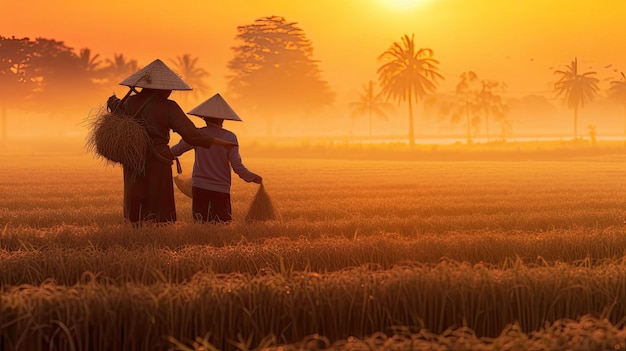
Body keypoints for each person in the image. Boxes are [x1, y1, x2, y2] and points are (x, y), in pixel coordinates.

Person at [106, 59, 236, 224]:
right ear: (162, 88)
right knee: (158, 195)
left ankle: (135, 224)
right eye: (170, 89)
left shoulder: (129, 102)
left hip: (133, 155)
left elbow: (115, 107)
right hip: (158, 157)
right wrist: (221, 142)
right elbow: (192, 135)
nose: (171, 92)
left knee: (135, 190)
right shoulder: (168, 107)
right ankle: (159, 226)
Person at [171, 93, 262, 223]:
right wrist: (252, 177)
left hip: (199, 188)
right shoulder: (229, 137)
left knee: (200, 226)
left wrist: (159, 154)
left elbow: (176, 150)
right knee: (221, 226)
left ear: (204, 117)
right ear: (223, 119)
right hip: (220, 190)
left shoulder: (197, 134)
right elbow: (237, 166)